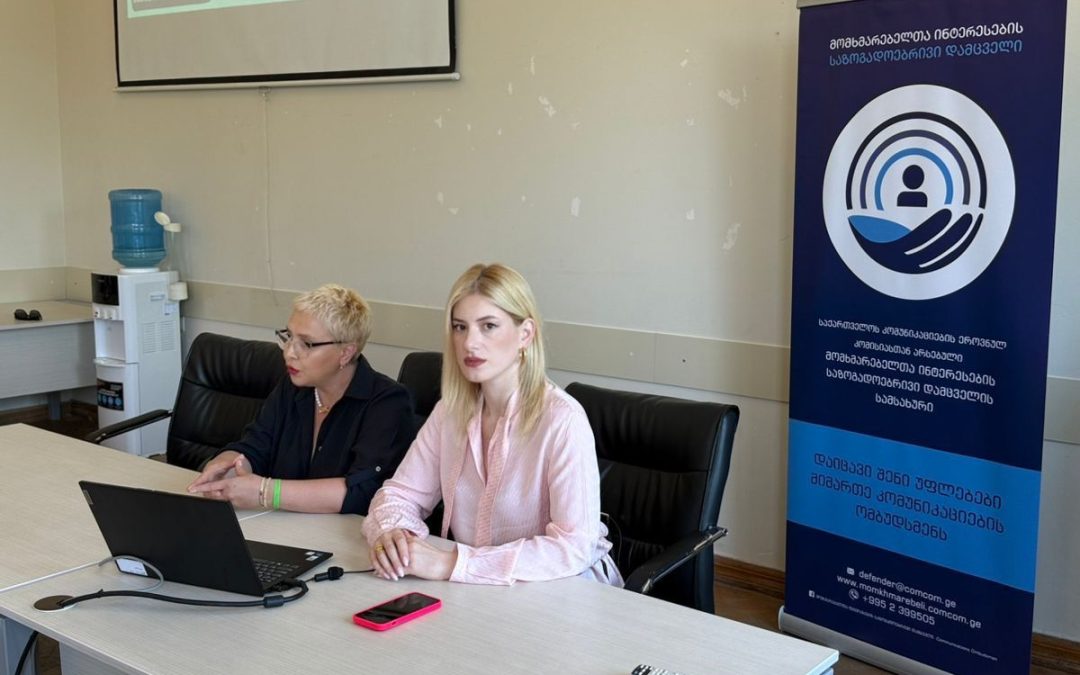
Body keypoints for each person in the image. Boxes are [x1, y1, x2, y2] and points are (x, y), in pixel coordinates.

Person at [362, 263, 622, 586]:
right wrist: (392, 535)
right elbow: (398, 495)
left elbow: (573, 547)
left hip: (565, 590)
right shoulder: (450, 412)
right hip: (482, 590)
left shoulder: (563, 420)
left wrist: (452, 563)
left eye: (488, 326)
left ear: (525, 334)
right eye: (460, 327)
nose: (469, 343)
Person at [188, 283, 413, 515]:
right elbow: (255, 445)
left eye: (306, 344)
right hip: (283, 523)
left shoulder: (388, 402)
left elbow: (363, 491)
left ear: (346, 353)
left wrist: (266, 492)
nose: (289, 352)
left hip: (346, 531)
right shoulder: (294, 386)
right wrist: (227, 465)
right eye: (288, 336)